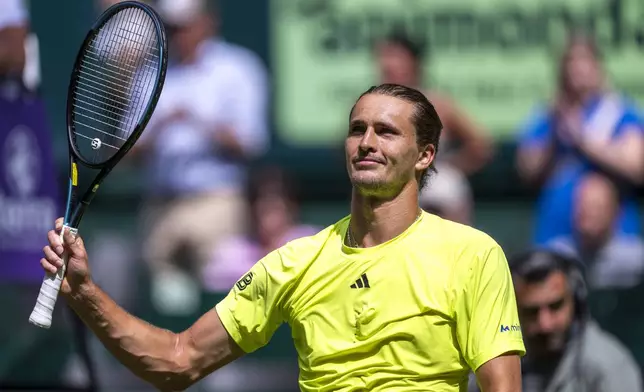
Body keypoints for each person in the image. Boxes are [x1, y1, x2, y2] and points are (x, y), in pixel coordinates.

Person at [40, 84, 524, 391]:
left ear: (424, 156)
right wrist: (84, 292)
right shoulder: (294, 262)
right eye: (357, 130)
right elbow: (177, 360)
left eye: (386, 131)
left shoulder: (473, 254)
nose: (367, 142)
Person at [130, 0, 270, 313]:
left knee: (221, 300)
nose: (178, 34)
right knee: (163, 303)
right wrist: (160, 128)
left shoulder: (238, 68)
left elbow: (251, 141)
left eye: (185, 25)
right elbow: (129, 151)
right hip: (160, 203)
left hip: (217, 200)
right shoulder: (148, 74)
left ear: (207, 22)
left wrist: (200, 123)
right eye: (172, 27)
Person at [516, 32, 644, 246]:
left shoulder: (619, 112)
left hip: (615, 239)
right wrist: (555, 133)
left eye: (584, 60)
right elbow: (527, 170)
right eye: (571, 61)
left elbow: (636, 167)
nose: (577, 68)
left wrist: (583, 141)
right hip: (555, 234)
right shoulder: (549, 116)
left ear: (598, 67)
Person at [471, 247, 641, 392]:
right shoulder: (493, 359)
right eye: (531, 311)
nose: (545, 324)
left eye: (555, 306)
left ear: (576, 302)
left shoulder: (607, 366)